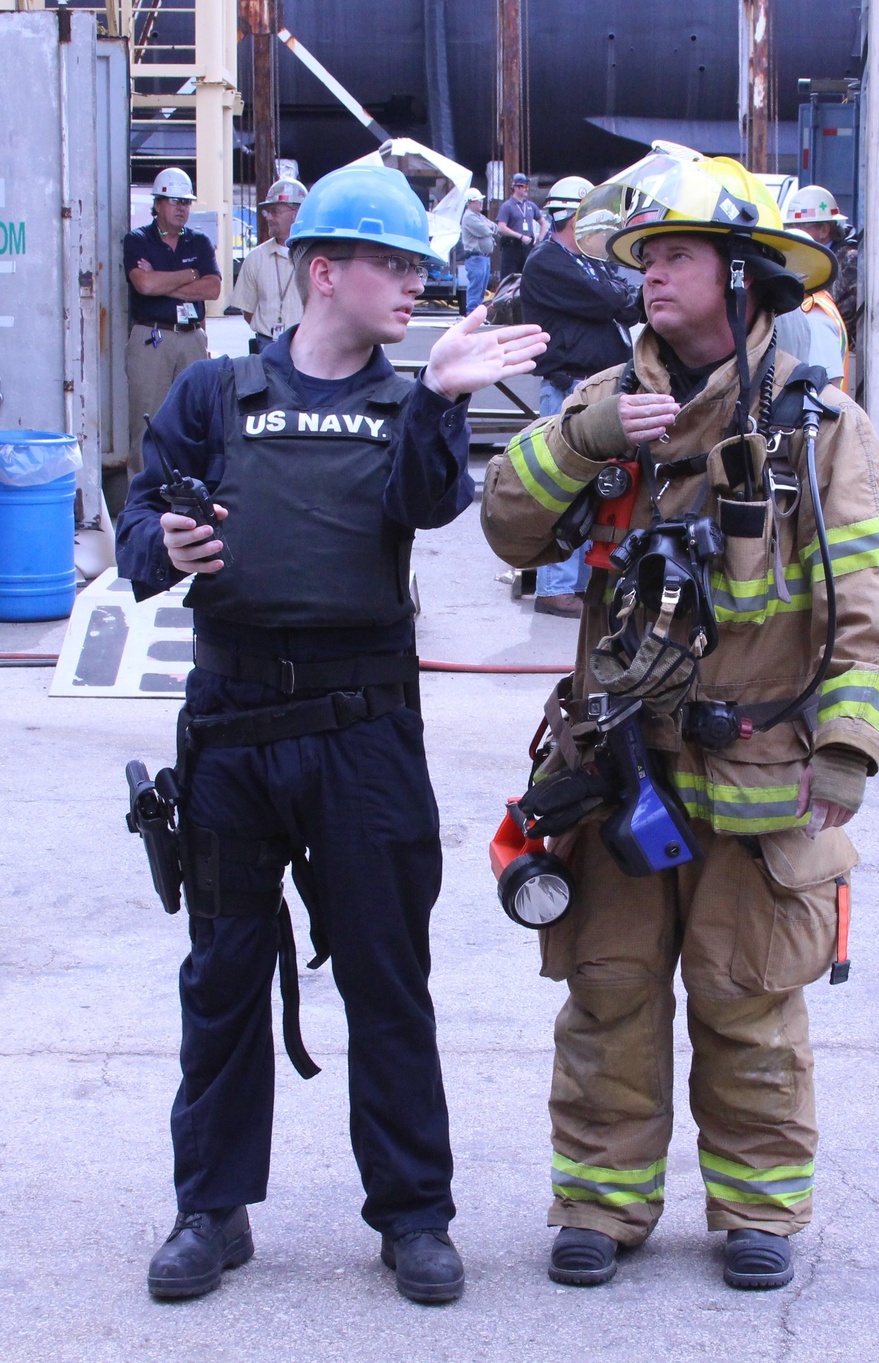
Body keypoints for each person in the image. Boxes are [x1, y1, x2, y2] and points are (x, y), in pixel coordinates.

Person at [115, 164, 546, 1306]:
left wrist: (443, 395)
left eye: (419, 268)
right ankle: (211, 1207)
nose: (415, 286)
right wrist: (168, 540)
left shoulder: (412, 404)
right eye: (393, 265)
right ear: (323, 270)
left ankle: (412, 1214)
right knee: (220, 976)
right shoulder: (213, 394)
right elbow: (134, 535)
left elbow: (418, 504)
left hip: (362, 732)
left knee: (388, 977)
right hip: (233, 729)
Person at [481, 148, 879, 1292]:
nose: (651, 277)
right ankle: (601, 1203)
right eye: (647, 258)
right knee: (608, 988)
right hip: (617, 766)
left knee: (747, 997)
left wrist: (848, 742)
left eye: (673, 255)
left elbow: (869, 592)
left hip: (761, 771)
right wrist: (586, 438)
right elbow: (505, 527)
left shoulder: (818, 430)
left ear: (739, 274)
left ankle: (757, 1210)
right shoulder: (607, 408)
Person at [519, 175, 641, 617]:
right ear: (577, 218)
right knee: (566, 486)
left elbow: (623, 297)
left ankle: (583, 581)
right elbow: (613, 301)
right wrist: (623, 294)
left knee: (599, 489)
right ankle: (555, 587)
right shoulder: (548, 263)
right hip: (570, 389)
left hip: (596, 389)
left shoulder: (589, 261)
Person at [123, 167, 221, 477]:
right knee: (147, 420)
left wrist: (164, 282)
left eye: (186, 202)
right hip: (152, 337)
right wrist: (190, 275)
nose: (181, 208)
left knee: (194, 418)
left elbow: (213, 288)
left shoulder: (199, 242)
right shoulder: (138, 240)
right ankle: (141, 498)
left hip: (191, 336)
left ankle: (189, 491)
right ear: (158, 204)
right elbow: (145, 286)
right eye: (174, 201)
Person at [229, 177, 307, 351]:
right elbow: (247, 311)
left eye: (275, 211)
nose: (268, 217)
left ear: (297, 213)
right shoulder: (256, 258)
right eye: (267, 212)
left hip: (309, 346)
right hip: (267, 346)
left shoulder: (316, 257)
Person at [784, 184, 857, 353]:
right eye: (791, 226)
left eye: (801, 226)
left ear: (824, 230)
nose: (794, 232)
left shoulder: (847, 263)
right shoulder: (810, 260)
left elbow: (843, 320)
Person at [495, 172, 546, 279]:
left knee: (528, 277)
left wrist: (539, 241)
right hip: (512, 248)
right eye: (524, 186)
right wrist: (520, 236)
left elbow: (543, 223)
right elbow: (501, 228)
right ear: (516, 187)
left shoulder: (530, 206)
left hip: (527, 248)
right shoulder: (507, 206)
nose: (527, 189)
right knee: (509, 279)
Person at [460, 187, 497, 315]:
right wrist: (489, 226)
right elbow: (486, 230)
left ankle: (477, 315)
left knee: (481, 288)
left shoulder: (479, 216)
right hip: (476, 257)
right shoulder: (469, 217)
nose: (481, 203)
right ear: (470, 203)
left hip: (483, 257)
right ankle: (471, 314)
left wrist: (490, 225)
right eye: (477, 201)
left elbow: (494, 226)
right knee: (476, 287)